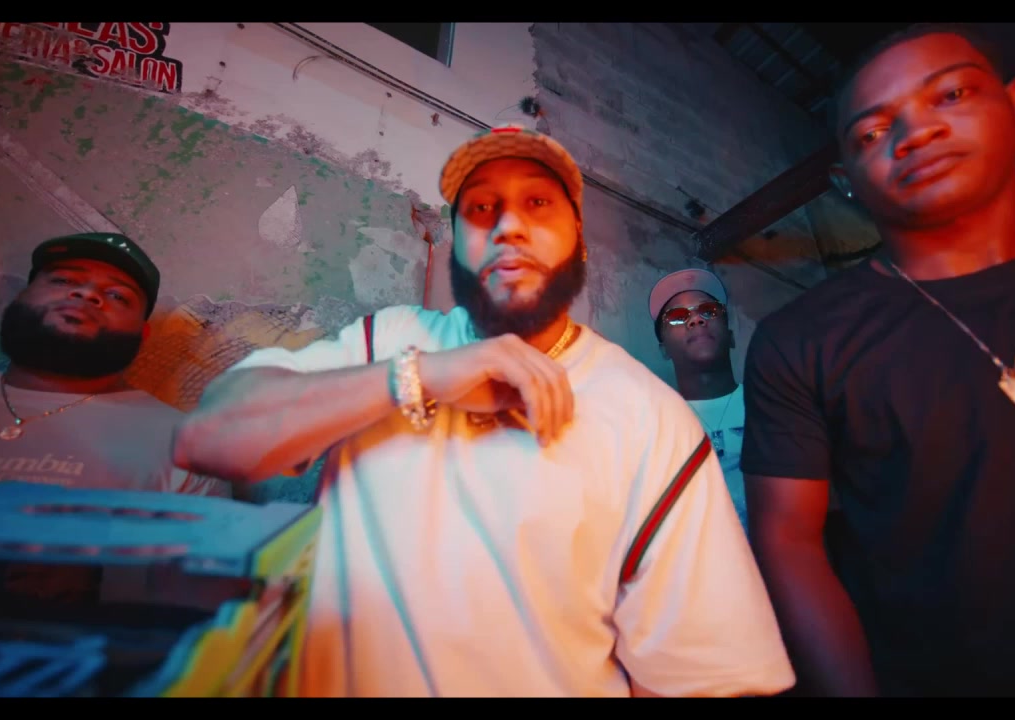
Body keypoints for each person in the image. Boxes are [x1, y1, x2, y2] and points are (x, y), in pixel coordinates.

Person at [172, 125, 794, 697]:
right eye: (480, 208)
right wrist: (420, 375)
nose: (509, 226)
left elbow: (703, 680)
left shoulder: (649, 417)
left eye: (539, 204)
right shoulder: (391, 339)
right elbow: (208, 438)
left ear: (580, 247)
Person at [740, 23, 1015, 697]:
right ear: (844, 179)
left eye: (950, 94)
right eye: (873, 132)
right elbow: (789, 541)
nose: (916, 132)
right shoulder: (801, 340)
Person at [0, 233, 230, 604]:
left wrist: (92, 578)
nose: (87, 294)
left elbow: (202, 602)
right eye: (64, 279)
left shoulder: (185, 447)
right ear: (19, 299)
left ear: (143, 333)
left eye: (118, 295)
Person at [648, 269, 749, 532]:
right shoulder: (652, 427)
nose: (696, 319)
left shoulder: (771, 405)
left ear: (731, 336)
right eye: (677, 316)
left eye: (709, 311)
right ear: (664, 350)